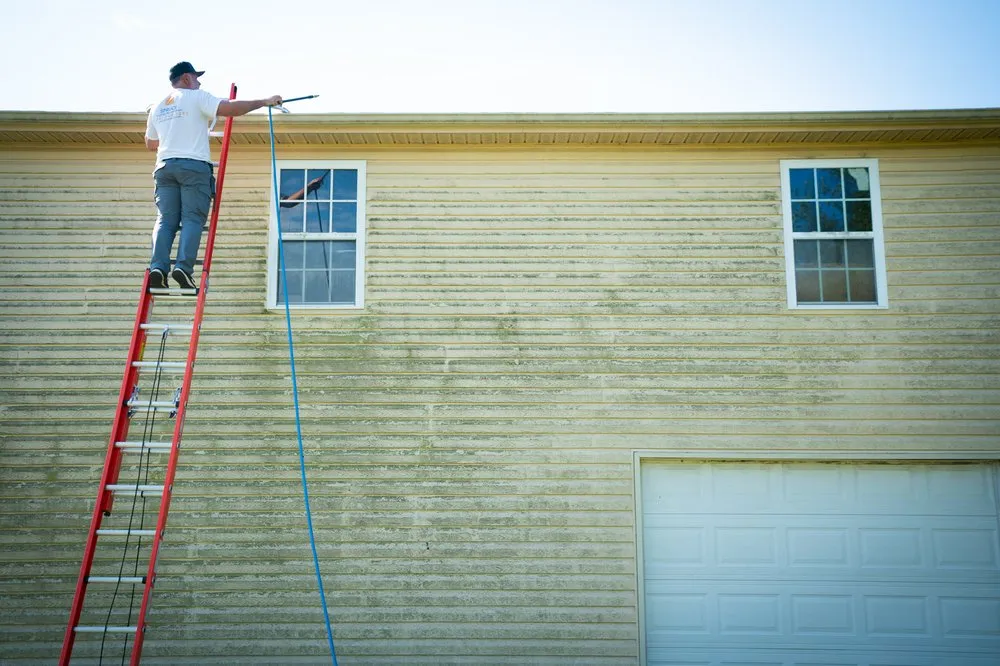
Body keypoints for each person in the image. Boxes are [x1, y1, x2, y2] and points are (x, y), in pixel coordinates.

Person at [144, 61, 281, 290]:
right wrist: (264, 102)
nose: (199, 82)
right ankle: (183, 269)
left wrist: (173, 133)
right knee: (192, 219)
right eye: (196, 78)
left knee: (166, 220)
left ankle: (158, 267)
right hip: (193, 168)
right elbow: (230, 109)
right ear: (186, 78)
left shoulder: (157, 106)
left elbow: (150, 144)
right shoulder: (196, 97)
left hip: (164, 168)